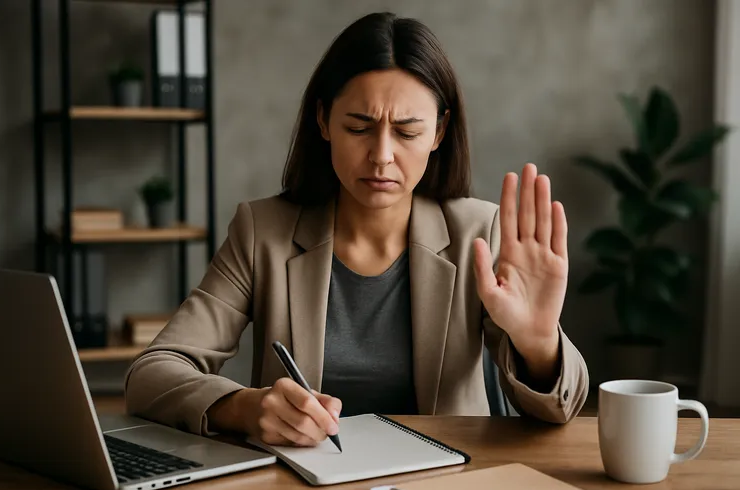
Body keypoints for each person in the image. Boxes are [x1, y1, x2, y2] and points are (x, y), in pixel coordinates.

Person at [125, 11, 589, 448]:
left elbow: (558, 409)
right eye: (359, 127)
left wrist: (538, 343)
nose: (382, 155)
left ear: (439, 133)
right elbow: (153, 373)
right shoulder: (262, 232)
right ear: (324, 120)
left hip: (449, 481)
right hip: (301, 485)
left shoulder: (478, 234)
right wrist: (245, 407)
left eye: (407, 132)